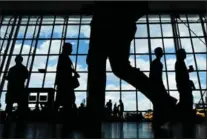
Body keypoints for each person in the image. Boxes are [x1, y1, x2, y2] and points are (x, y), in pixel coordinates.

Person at [86, 2, 177, 136]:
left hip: (107, 18)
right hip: (121, 19)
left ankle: (92, 119)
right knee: (119, 67)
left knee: (98, 66)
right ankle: (162, 100)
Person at [55, 42, 80, 137]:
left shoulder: (62, 57)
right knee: (68, 102)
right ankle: (68, 122)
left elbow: (62, 70)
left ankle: (66, 122)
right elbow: (65, 70)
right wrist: (73, 72)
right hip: (66, 84)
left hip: (64, 83)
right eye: (71, 48)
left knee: (65, 102)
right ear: (67, 49)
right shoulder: (64, 58)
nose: (72, 50)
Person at [175, 49, 195, 138]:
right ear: (181, 55)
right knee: (186, 101)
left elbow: (181, 74)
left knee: (184, 101)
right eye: (184, 53)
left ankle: (178, 117)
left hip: (183, 86)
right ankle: (178, 117)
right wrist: (188, 80)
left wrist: (188, 71)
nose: (185, 54)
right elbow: (182, 75)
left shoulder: (179, 63)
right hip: (184, 86)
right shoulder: (180, 63)